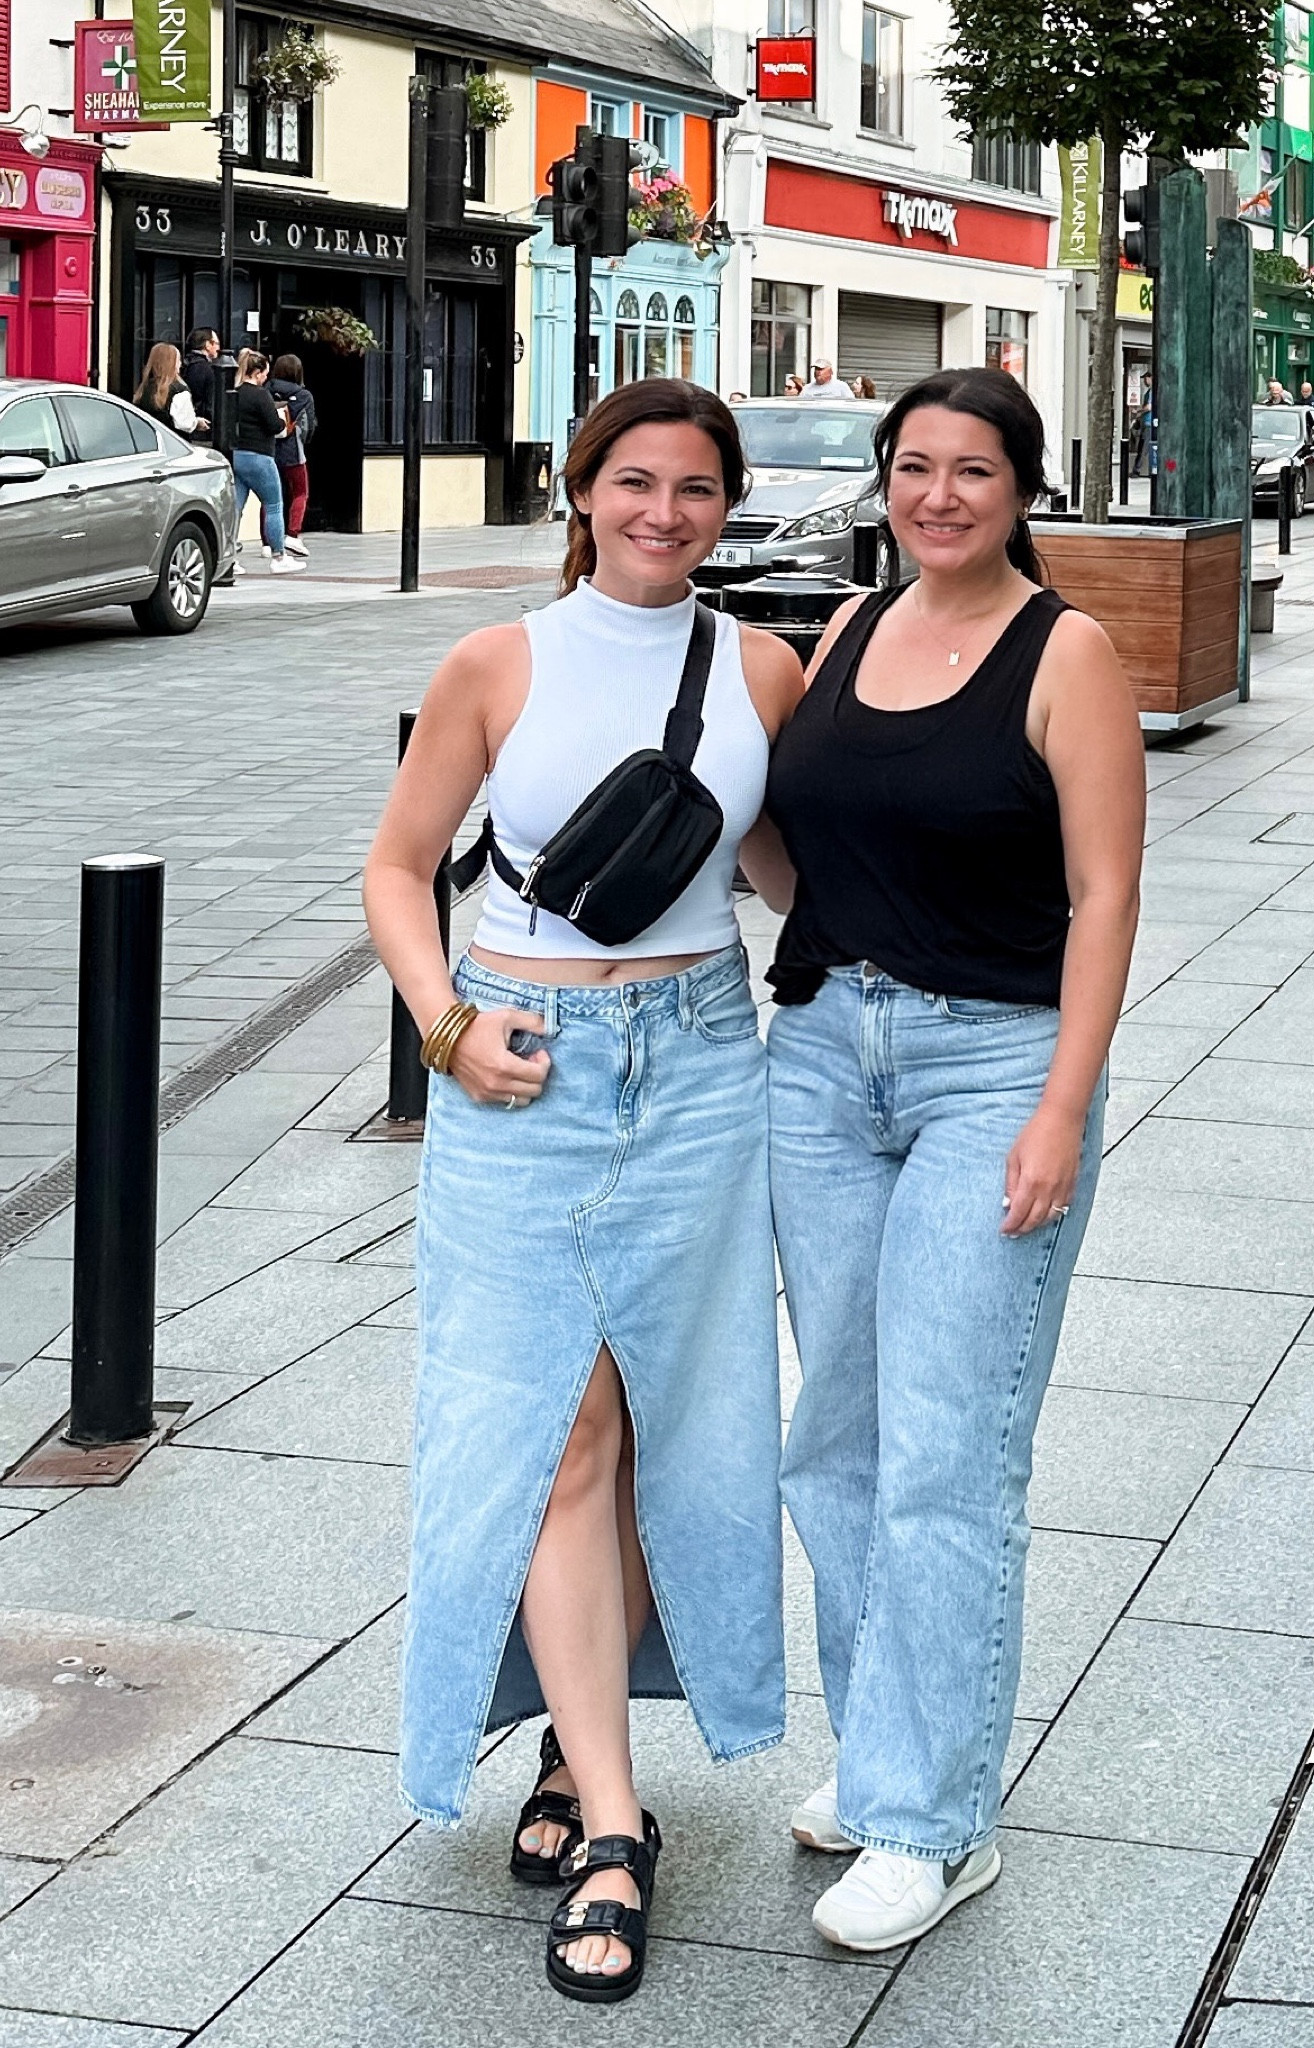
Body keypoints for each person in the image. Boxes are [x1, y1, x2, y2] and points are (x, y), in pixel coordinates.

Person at [363, 379, 803, 2005]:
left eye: (696, 490)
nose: (664, 513)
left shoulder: (761, 668)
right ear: (583, 489)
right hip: (523, 1073)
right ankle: (617, 1823)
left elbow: (789, 880)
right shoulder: (499, 663)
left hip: (698, 1066)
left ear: (725, 505)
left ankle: (576, 1739)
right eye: (635, 483)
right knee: (561, 1431)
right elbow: (397, 866)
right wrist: (448, 1023)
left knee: (655, 1429)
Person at [762, 366, 1143, 1951]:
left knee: (943, 1454)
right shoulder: (846, 633)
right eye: (910, 467)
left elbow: (1105, 896)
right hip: (823, 1059)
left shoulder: (1069, 654)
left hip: (993, 1068)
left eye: (968, 471)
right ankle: (882, 1758)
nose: (935, 496)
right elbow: (785, 841)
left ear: (1018, 488)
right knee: (830, 1442)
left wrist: (1058, 1107)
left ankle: (934, 1820)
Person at [232, 353, 302, 575]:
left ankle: (229, 558)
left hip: (237, 455)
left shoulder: (233, 393)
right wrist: (282, 419)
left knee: (235, 509)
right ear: (257, 372)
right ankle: (279, 557)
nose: (266, 377)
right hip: (260, 456)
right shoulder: (260, 395)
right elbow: (274, 425)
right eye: (264, 372)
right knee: (273, 505)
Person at [269, 353, 317, 558]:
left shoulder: (266, 390)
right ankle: (292, 534)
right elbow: (308, 427)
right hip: (293, 450)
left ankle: (267, 542)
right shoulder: (304, 395)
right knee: (300, 492)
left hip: (268, 449)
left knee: (271, 496)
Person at [131, 342, 199, 437]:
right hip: (174, 444)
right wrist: (197, 422)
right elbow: (186, 424)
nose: (180, 364)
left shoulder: (145, 388)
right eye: (178, 360)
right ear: (172, 364)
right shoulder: (179, 391)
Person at [181, 328, 220, 438]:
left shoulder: (185, 365)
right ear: (207, 345)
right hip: (201, 428)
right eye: (216, 343)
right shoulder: (207, 369)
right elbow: (209, 401)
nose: (219, 348)